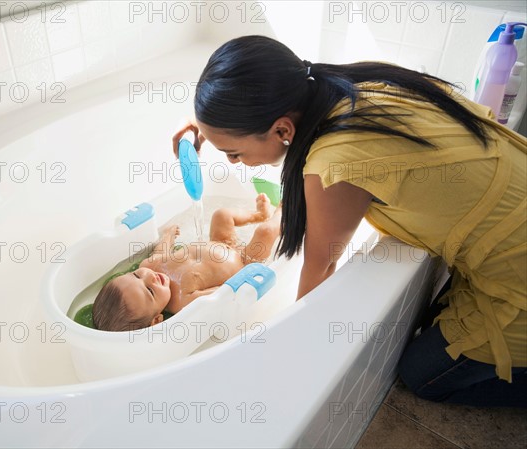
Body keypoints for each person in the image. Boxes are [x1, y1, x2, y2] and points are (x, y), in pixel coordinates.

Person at [171, 35, 526, 407]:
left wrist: (288, 355)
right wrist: (203, 125)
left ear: (282, 130)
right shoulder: (351, 85)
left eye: (233, 152)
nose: (232, 163)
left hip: (517, 266)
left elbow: (320, 270)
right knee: (437, 325)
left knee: (422, 375)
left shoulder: (335, 167)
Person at [93, 193, 281, 332]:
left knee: (221, 215)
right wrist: (248, 276)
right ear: (157, 320)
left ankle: (259, 215)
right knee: (265, 232)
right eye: (150, 291)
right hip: (244, 260)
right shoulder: (182, 302)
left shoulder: (148, 267)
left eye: (135, 275)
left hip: (220, 241)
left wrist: (167, 236)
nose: (149, 278)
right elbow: (223, 292)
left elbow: (161, 252)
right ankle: (283, 210)